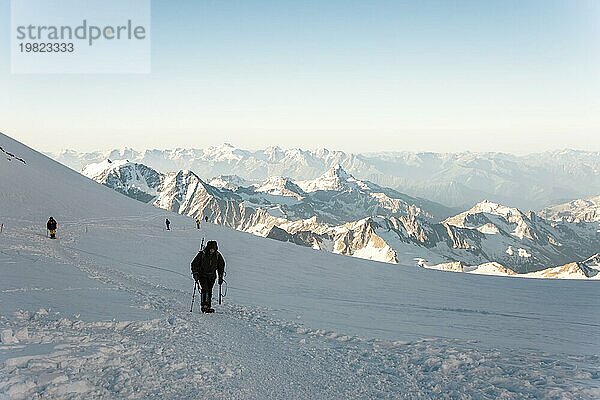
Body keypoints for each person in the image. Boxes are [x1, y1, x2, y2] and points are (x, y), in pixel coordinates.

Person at [191, 240, 225, 313]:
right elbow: (194, 264)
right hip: (202, 275)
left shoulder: (217, 255)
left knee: (209, 290)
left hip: (212, 276)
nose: (212, 250)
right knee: (205, 289)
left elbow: (221, 266)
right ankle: (204, 305)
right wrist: (195, 273)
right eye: (210, 248)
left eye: (213, 249)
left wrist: (220, 276)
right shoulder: (202, 254)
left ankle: (208, 306)